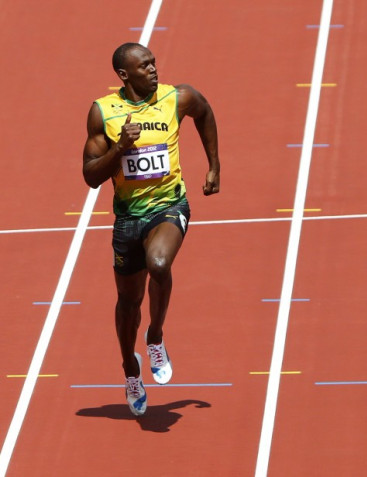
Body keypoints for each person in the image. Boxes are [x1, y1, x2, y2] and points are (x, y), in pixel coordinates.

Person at [82, 43, 221, 416]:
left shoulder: (177, 98)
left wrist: (213, 166)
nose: (154, 70)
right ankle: (130, 367)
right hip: (128, 218)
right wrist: (120, 149)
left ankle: (156, 336)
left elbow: (204, 112)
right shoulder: (103, 112)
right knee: (128, 304)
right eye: (144, 66)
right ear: (124, 75)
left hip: (169, 205)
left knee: (159, 263)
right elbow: (91, 176)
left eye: (154, 62)